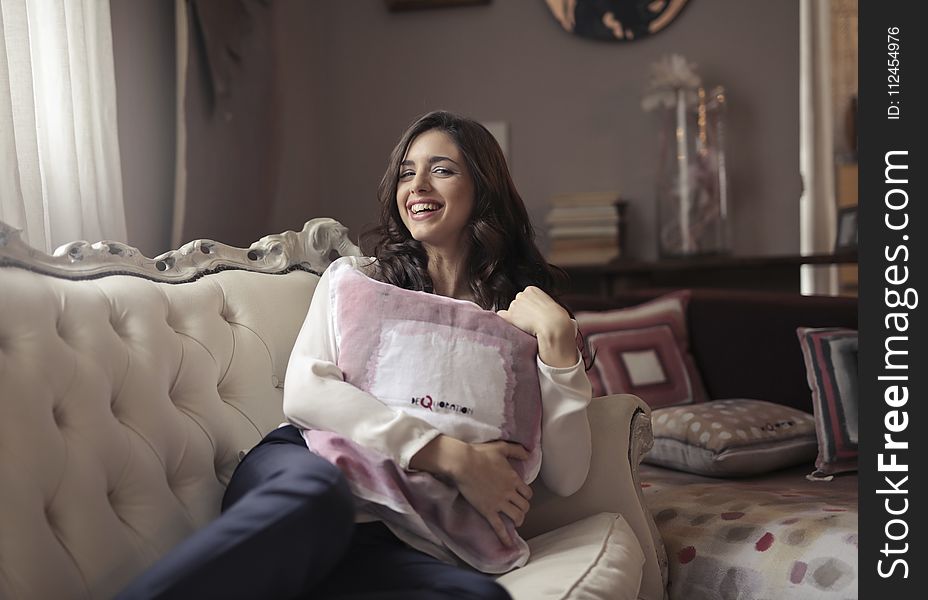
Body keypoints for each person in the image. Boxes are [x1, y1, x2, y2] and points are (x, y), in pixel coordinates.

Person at [117, 110, 592, 600]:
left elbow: (567, 475)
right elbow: (305, 392)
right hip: (311, 471)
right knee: (317, 500)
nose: (418, 185)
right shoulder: (361, 280)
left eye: (442, 170)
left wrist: (559, 346)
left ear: (484, 189)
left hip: (398, 534)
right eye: (407, 172)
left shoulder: (517, 319)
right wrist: (454, 458)